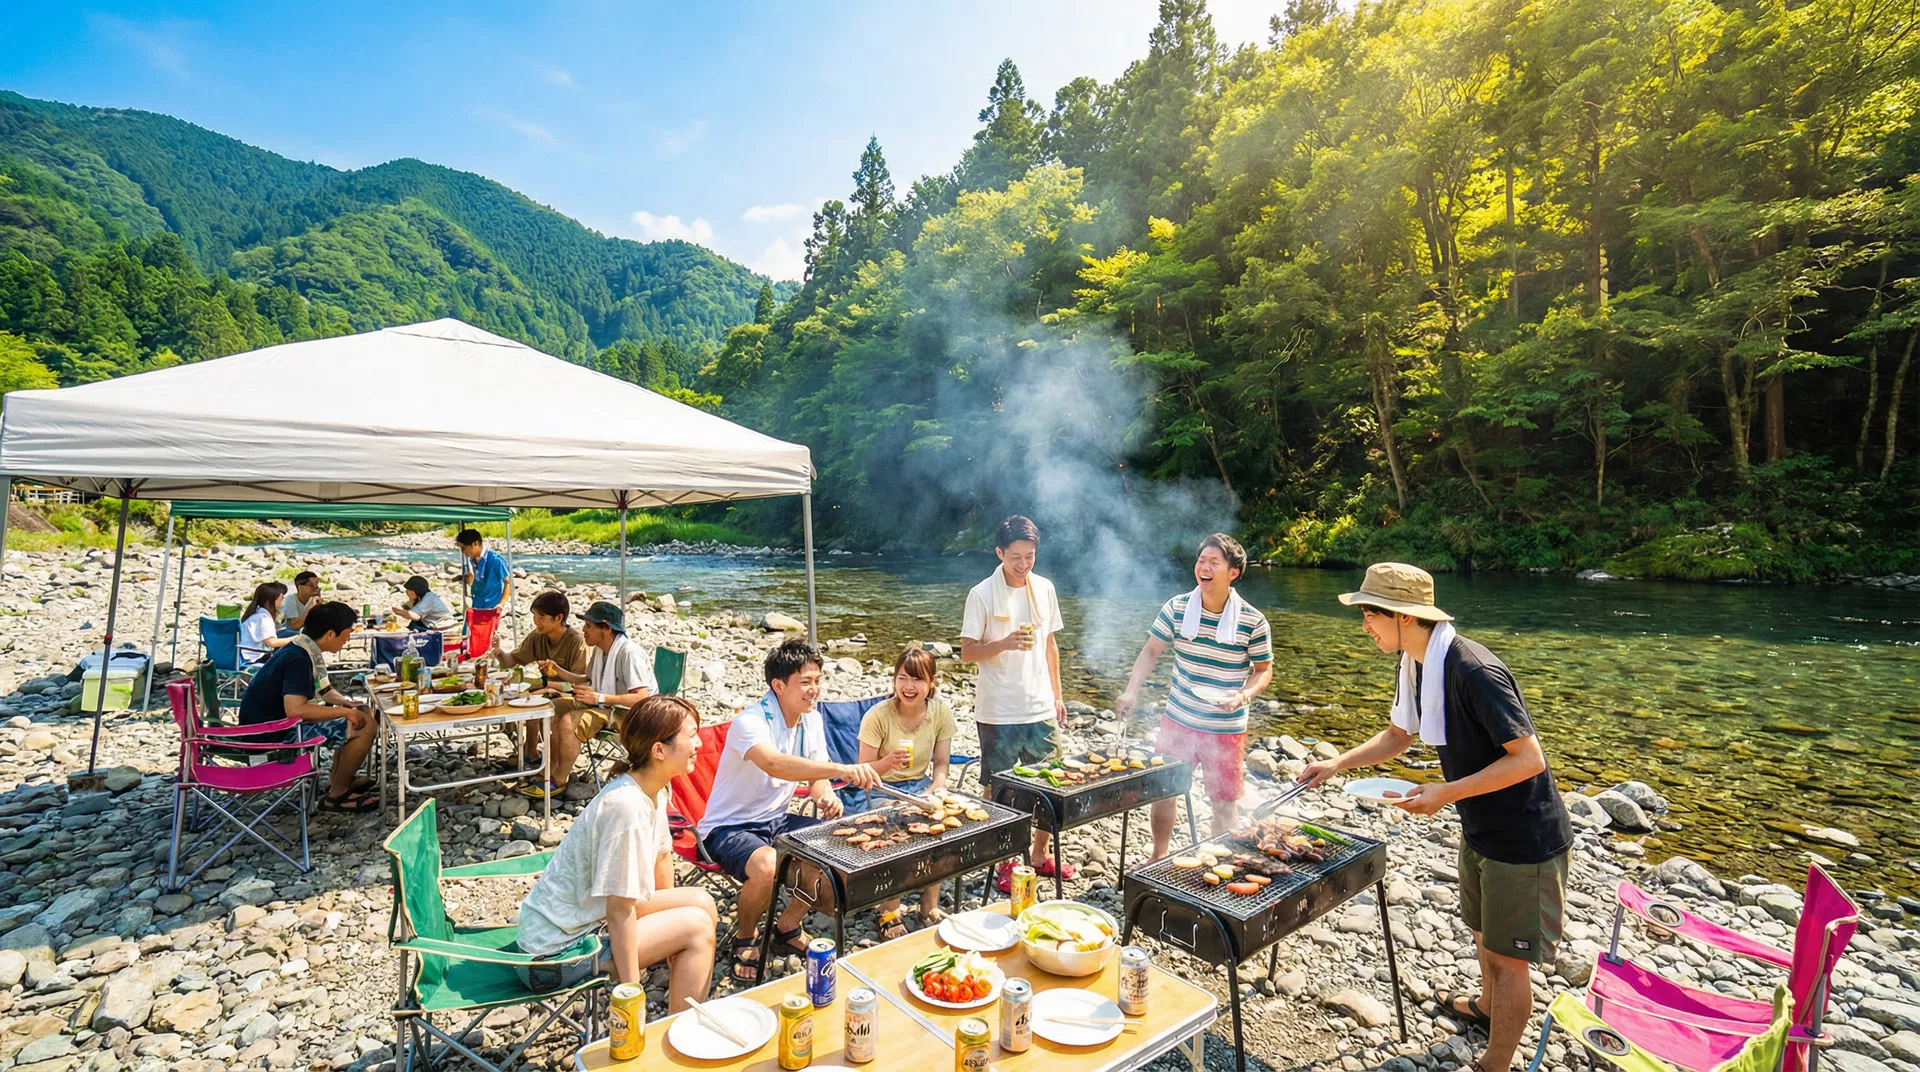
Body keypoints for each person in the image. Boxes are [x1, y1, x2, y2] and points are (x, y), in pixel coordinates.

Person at [1299, 562, 1572, 1072]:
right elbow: (1398, 736)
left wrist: (1445, 793)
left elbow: (1529, 758)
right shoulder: (1418, 661)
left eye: (1369, 615)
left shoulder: (1473, 670)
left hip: (1525, 836)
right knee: (1480, 932)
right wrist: (1337, 763)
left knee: (1509, 961)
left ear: (1403, 617)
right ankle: (1486, 1008)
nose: (1364, 626)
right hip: (1480, 824)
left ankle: (1495, 1063)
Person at [513, 695, 720, 1003]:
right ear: (659, 751)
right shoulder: (626, 807)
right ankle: (679, 1038)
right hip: (552, 955)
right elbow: (619, 910)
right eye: (691, 736)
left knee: (701, 901)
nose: (699, 744)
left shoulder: (652, 790)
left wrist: (669, 941)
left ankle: (681, 995)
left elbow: (662, 860)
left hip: (583, 922)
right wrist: (631, 993)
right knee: (697, 928)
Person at [697, 639, 880, 983]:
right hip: (729, 827)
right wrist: (841, 770)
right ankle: (745, 937)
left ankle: (787, 925)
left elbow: (816, 771)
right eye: (805, 682)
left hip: (776, 818)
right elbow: (775, 764)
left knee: (834, 845)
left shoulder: (810, 720)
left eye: (817, 680)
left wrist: (825, 793)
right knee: (767, 864)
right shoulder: (750, 721)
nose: (814, 690)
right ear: (778, 686)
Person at [1115, 533, 1273, 859]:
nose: (1204, 566)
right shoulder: (1177, 607)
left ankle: (1219, 864)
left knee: (1223, 802)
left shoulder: (1252, 621)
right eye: (1202, 560)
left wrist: (1243, 696)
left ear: (1233, 572)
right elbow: (1151, 652)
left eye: (1214, 562)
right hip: (1179, 719)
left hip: (1226, 728)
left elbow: (1263, 670)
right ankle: (1159, 855)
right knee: (1164, 790)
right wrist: (1131, 692)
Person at [960, 515, 1068, 891]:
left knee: (1049, 785)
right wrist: (1004, 643)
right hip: (998, 709)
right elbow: (967, 652)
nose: (1023, 565)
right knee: (998, 790)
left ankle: (1039, 855)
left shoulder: (1045, 589)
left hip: (1039, 705)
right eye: (1016, 557)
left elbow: (1050, 645)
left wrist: (1057, 694)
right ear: (999, 553)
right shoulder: (982, 594)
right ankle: (1003, 859)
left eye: (1030, 556)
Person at [237, 601, 380, 812]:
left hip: (269, 727)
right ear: (330, 634)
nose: (348, 639)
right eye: (347, 633)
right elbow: (296, 710)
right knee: (364, 725)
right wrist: (345, 712)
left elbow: (326, 690)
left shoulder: (303, 646)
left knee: (361, 713)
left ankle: (340, 779)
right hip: (270, 737)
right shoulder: (298, 659)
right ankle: (336, 796)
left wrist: (349, 704)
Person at [855, 647, 957, 939]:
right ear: (894, 680)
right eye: (902, 678)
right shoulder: (878, 716)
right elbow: (864, 771)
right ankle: (889, 908)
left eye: (917, 680)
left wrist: (938, 787)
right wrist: (887, 764)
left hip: (921, 784)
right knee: (897, 823)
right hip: (880, 787)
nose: (908, 687)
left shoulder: (940, 712)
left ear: (932, 683)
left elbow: (941, 763)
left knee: (944, 821)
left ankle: (929, 902)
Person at [532, 602, 654, 800]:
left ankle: (559, 780)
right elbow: (586, 679)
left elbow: (642, 697)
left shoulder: (629, 653)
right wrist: (557, 670)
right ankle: (553, 767)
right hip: (607, 704)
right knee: (551, 708)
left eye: (589, 626)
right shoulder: (600, 649)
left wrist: (598, 697)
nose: (583, 630)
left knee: (569, 722)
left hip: (631, 714)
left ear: (605, 628)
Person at [487, 591, 591, 790]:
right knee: (522, 697)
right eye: (535, 617)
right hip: (548, 688)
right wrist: (499, 652)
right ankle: (530, 753)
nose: (536, 622)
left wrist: (551, 684)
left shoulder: (576, 642)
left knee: (538, 701)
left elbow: (581, 684)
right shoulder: (538, 636)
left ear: (559, 618)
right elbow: (511, 661)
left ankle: (550, 766)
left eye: (541, 618)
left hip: (570, 693)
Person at [457, 528, 510, 657]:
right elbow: (479, 580)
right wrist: (469, 581)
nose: (464, 553)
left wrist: (501, 604)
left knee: (485, 641)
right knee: (468, 638)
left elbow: (508, 582)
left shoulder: (496, 560)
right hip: (477, 604)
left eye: (464, 548)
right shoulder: (473, 560)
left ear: (475, 544)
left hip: (490, 607)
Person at [238, 582, 293, 664]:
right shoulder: (264, 617)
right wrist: (296, 638)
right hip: (252, 658)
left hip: (242, 655)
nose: (281, 603)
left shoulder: (254, 613)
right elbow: (272, 643)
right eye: (280, 599)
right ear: (269, 602)